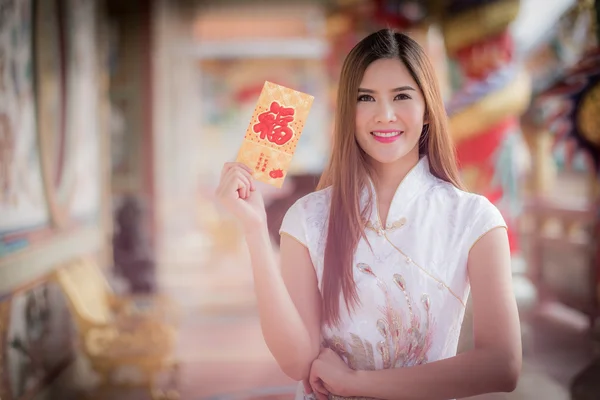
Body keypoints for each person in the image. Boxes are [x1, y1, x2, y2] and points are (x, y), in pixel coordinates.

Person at [215, 29, 521, 400]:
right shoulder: (309, 217)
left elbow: (502, 366)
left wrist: (357, 385)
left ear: (427, 110)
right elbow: (297, 362)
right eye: (366, 98)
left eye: (402, 96)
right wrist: (254, 230)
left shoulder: (475, 219)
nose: (385, 115)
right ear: (349, 111)